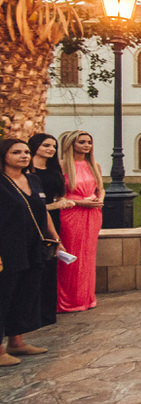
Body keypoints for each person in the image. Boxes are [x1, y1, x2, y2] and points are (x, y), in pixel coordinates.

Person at [0, 138, 60, 366]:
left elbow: (42, 211)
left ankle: (17, 340)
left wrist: (54, 237)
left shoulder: (33, 180)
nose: (24, 156)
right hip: (8, 247)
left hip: (33, 245)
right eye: (17, 152)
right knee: (4, 294)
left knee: (25, 292)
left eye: (26, 152)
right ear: (4, 155)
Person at [57, 130, 104, 312]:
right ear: (71, 144)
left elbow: (100, 188)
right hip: (71, 213)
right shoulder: (62, 166)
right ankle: (68, 301)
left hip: (93, 214)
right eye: (82, 142)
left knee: (88, 256)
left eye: (89, 142)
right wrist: (80, 202)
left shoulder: (94, 165)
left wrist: (101, 199)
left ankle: (87, 298)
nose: (86, 145)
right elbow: (58, 195)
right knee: (71, 256)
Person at [28, 133, 69, 329]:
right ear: (35, 146)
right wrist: (55, 206)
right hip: (33, 220)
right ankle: (32, 314)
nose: (51, 149)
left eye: (53, 146)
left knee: (50, 263)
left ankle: (47, 312)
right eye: (46, 145)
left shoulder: (53, 170)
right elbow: (33, 204)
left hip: (52, 220)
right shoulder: (28, 174)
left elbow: (56, 195)